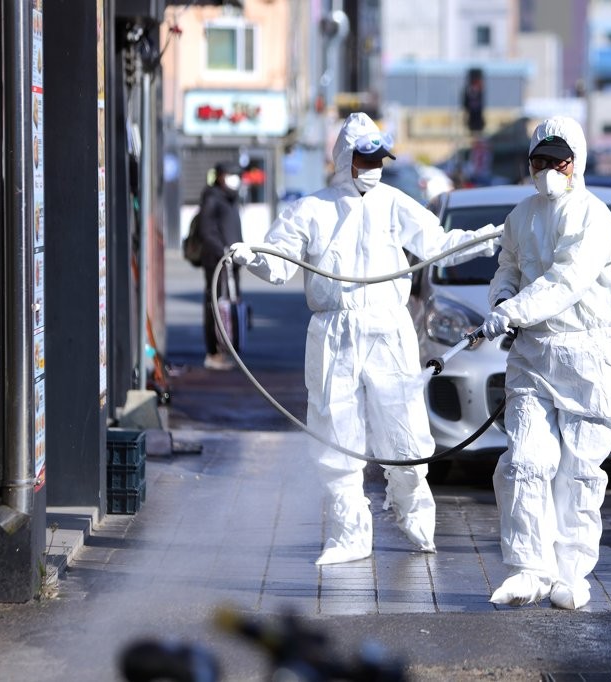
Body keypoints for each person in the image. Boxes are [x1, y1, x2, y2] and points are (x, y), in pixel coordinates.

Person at [228, 113, 501, 565]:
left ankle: (415, 516)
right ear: (345, 160)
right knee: (337, 431)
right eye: (366, 158)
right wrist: (250, 256)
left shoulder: (395, 203)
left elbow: (438, 243)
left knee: (406, 430)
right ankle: (347, 535)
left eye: (379, 159)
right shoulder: (310, 210)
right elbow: (279, 266)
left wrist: (486, 240)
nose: (374, 167)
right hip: (334, 332)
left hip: (389, 328)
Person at [482, 116, 611, 609]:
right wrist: (502, 298)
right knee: (525, 460)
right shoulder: (520, 215)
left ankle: (571, 574)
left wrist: (514, 310)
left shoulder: (595, 217)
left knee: (580, 472)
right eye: (539, 161)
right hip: (532, 354)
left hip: (586, 355)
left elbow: (567, 281)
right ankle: (528, 568)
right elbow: (509, 265)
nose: (547, 170)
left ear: (576, 162)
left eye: (556, 160)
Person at [199, 161, 245, 371]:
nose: (234, 179)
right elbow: (207, 231)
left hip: (232, 262)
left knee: (230, 305)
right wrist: (222, 251)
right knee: (215, 305)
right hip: (217, 262)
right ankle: (213, 352)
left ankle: (228, 347)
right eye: (230, 175)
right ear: (219, 177)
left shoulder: (231, 198)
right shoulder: (212, 198)